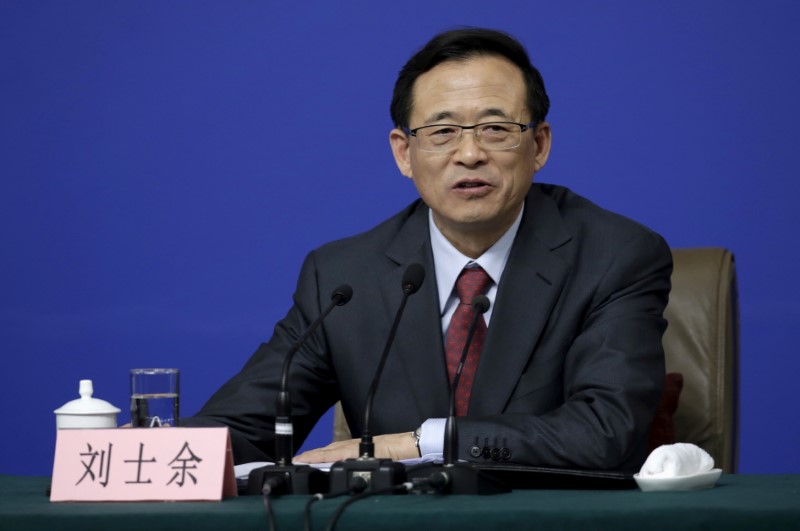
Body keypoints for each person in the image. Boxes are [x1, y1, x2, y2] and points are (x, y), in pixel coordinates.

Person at [184, 27, 672, 472]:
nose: (469, 153)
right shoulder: (343, 276)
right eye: (441, 132)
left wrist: (421, 443)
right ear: (404, 153)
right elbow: (245, 429)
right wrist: (135, 453)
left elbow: (605, 433)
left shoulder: (614, 256)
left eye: (496, 128)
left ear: (539, 145)